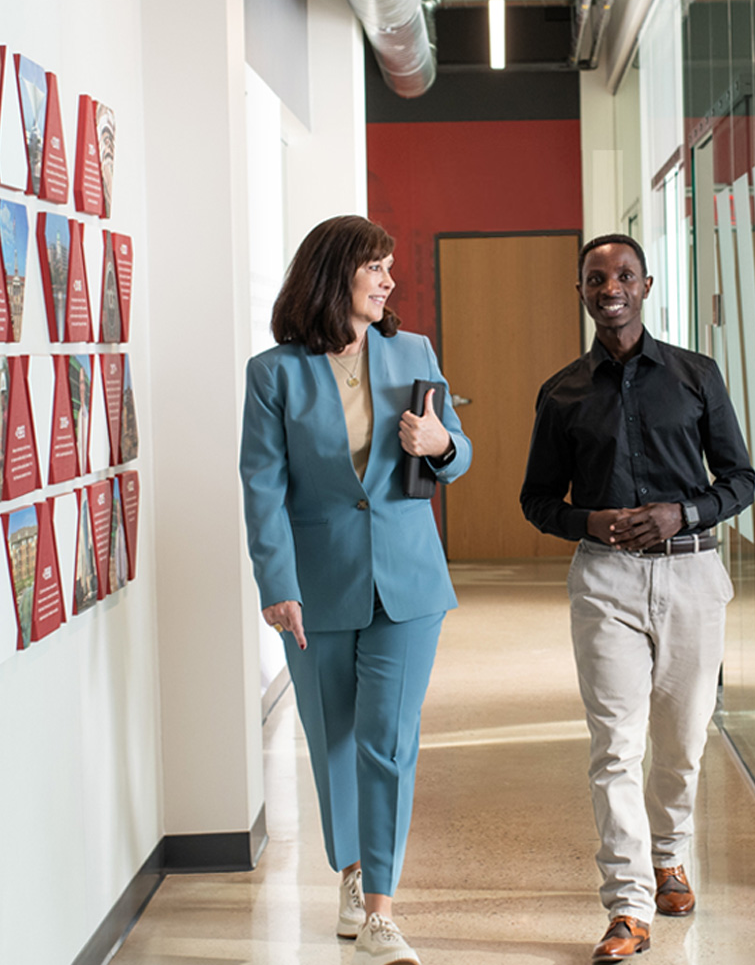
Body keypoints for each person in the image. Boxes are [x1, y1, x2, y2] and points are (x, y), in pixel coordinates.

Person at [240, 215, 471, 965]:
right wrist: (276, 584)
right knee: (332, 737)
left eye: (389, 269)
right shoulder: (273, 373)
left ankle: (380, 909)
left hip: (407, 579)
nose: (389, 281)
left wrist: (439, 447)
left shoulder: (412, 352)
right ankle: (350, 870)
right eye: (375, 267)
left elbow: (456, 451)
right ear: (334, 273)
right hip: (316, 584)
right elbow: (263, 487)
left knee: (388, 742)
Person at [520, 234, 755, 962]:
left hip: (690, 576)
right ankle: (628, 906)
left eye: (623, 275)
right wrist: (585, 521)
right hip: (606, 583)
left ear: (646, 286)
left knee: (682, 741)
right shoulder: (561, 392)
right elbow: (536, 501)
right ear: (583, 292)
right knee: (616, 748)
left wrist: (680, 513)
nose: (610, 287)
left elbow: (740, 480)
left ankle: (669, 855)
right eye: (596, 278)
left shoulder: (695, 375)